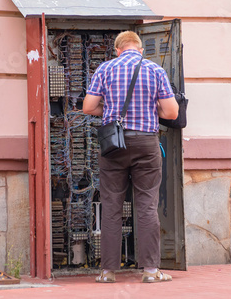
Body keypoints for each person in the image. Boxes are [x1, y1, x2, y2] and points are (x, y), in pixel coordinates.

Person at [83, 31, 179, 283]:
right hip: (146, 143)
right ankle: (150, 271)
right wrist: (152, 107)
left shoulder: (105, 69)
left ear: (117, 49)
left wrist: (111, 111)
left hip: (113, 144)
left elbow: (88, 107)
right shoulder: (155, 70)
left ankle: (107, 272)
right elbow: (171, 112)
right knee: (147, 205)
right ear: (139, 49)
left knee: (112, 207)